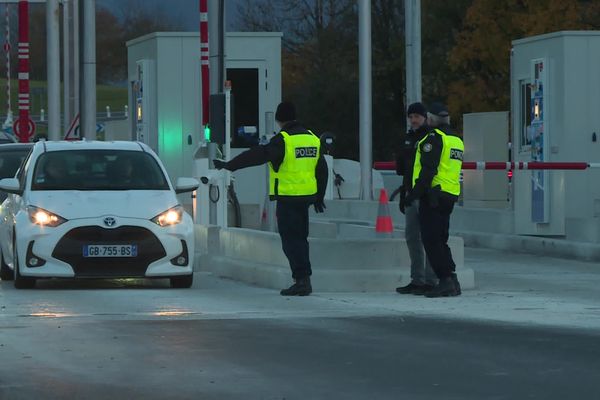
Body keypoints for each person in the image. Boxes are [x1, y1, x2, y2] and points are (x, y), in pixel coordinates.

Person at [213, 101, 328, 296]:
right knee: (301, 239)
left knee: (291, 241)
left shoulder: (284, 140)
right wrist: (319, 197)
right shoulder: (312, 139)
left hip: (289, 199)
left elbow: (258, 155)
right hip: (306, 198)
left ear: (278, 119)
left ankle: (301, 280)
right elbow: (322, 170)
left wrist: (230, 165)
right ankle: (304, 278)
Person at [405, 102, 464, 298]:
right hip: (450, 194)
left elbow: (428, 169)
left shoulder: (434, 138)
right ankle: (452, 279)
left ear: (430, 119)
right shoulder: (456, 140)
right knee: (442, 239)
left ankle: (445, 280)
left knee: (431, 240)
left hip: (433, 196)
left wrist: (413, 194)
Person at [395, 102, 438, 295]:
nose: (413, 120)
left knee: (428, 238)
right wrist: (405, 193)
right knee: (412, 237)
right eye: (411, 116)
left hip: (426, 195)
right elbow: (404, 170)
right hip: (411, 193)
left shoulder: (430, 138)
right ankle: (417, 279)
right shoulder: (408, 139)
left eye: (417, 117)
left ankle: (431, 279)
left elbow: (428, 170)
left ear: (425, 118)